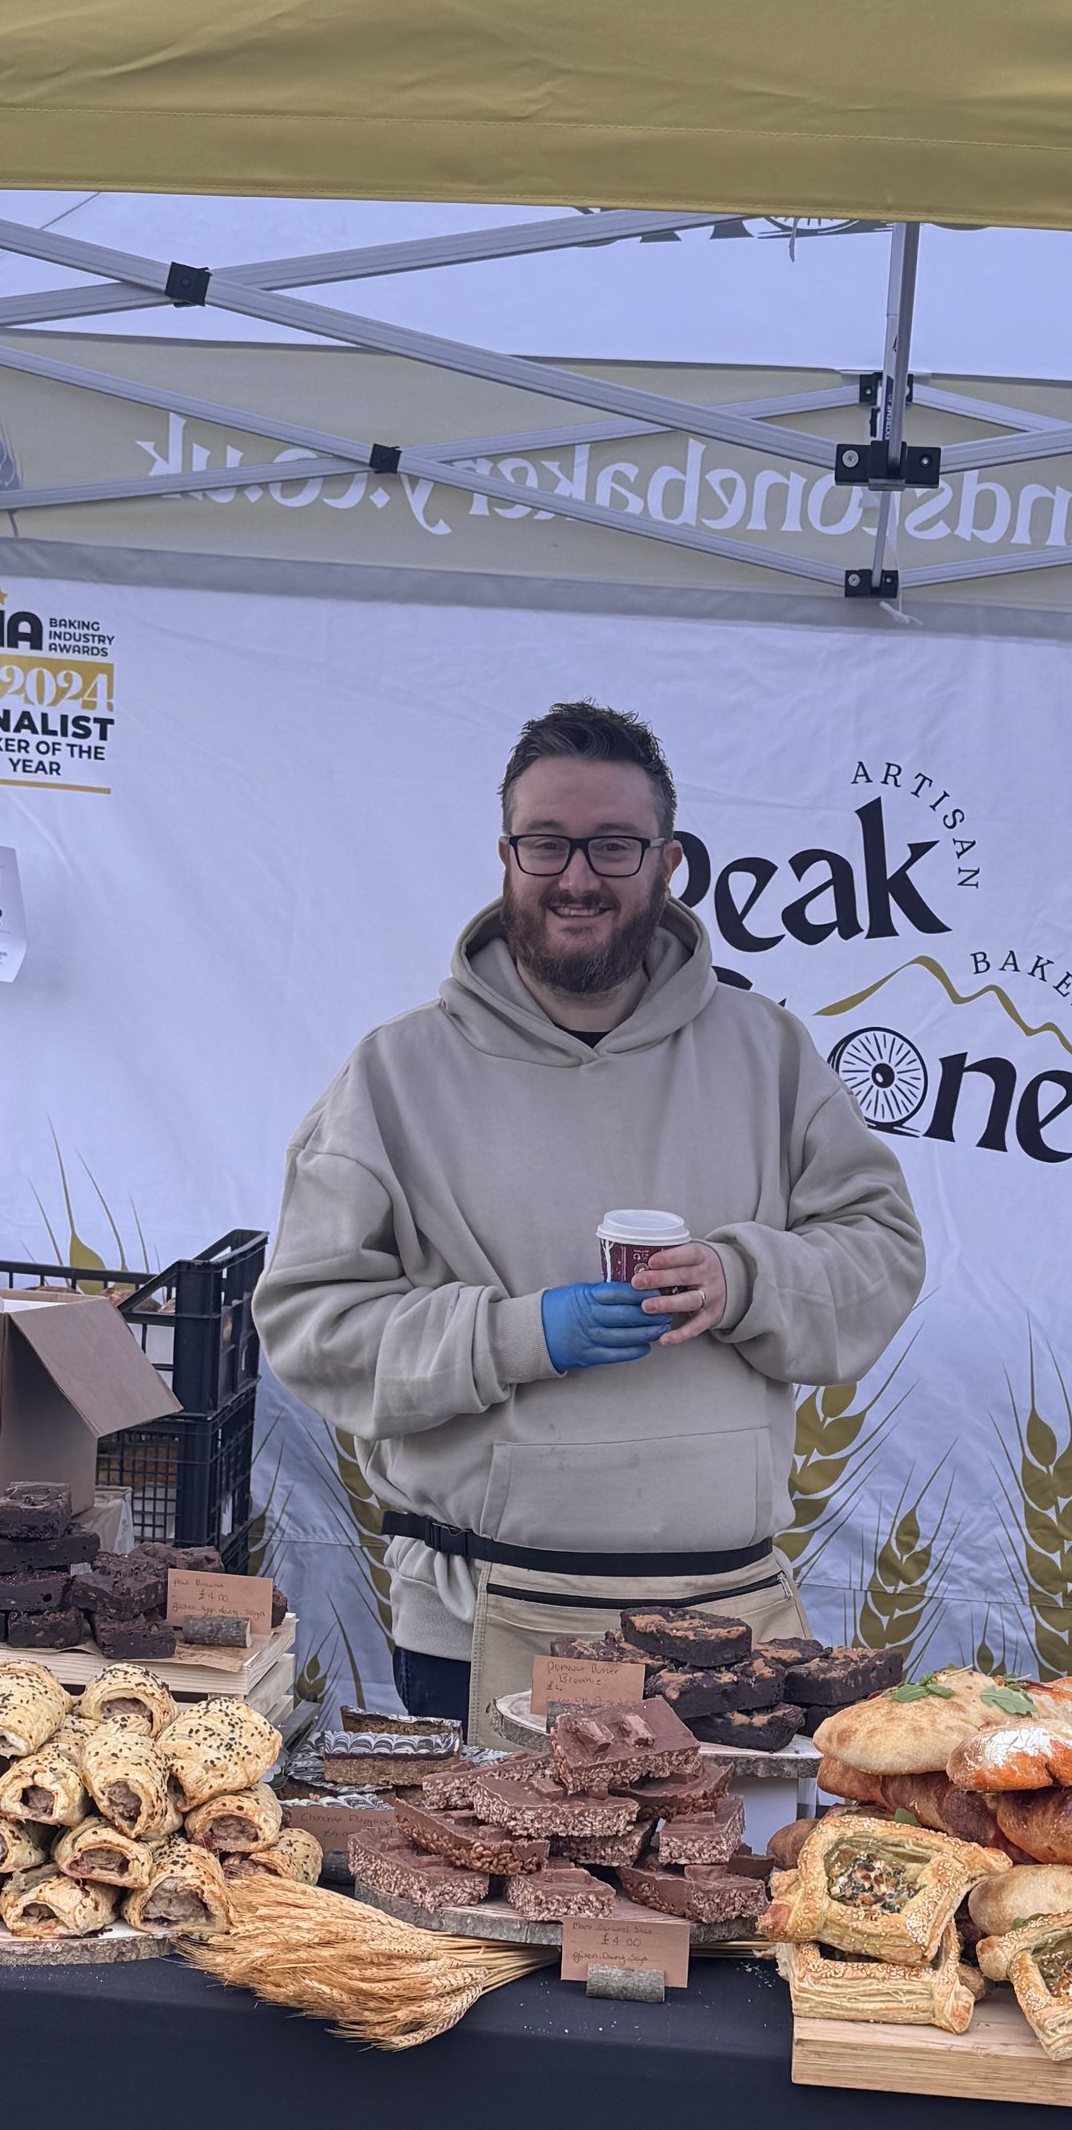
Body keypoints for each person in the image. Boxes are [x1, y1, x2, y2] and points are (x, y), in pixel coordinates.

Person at [255, 699, 925, 1735]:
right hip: (485, 1619)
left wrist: (744, 1280)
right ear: (504, 855)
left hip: (727, 1625)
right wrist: (518, 1334)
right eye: (548, 844)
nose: (577, 877)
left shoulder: (768, 1053)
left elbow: (880, 1255)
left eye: (613, 846)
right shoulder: (398, 1073)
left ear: (668, 861)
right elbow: (310, 1323)